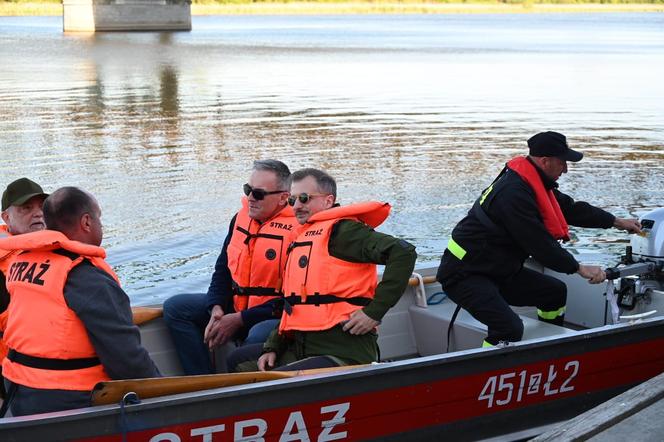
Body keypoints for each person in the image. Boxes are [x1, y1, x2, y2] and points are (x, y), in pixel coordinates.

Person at [436, 131, 642, 347]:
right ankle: (485, 374)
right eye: (563, 163)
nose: (566, 169)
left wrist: (616, 221)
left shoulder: (534, 183)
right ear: (545, 161)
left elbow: (572, 210)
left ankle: (551, 344)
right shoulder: (513, 193)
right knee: (509, 329)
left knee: (554, 292)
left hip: (498, 269)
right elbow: (539, 243)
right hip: (465, 274)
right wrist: (578, 267)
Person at [229, 168, 417, 372]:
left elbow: (403, 252)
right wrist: (273, 346)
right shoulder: (302, 236)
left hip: (341, 350)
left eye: (304, 198)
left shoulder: (343, 232)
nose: (297, 206)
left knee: (277, 380)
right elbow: (294, 305)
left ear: (328, 201)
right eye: (292, 200)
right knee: (237, 360)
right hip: (302, 345)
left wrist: (374, 312)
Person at [0, 187, 160, 416]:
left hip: (19, 390)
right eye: (99, 218)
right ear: (86, 222)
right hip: (66, 399)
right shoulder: (86, 276)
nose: (100, 225)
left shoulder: (22, 261)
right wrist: (166, 392)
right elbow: (127, 362)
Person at [163, 160, 296, 375]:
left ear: (283, 197)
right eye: (248, 190)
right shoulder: (240, 219)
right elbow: (222, 270)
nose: (250, 198)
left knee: (256, 334)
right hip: (236, 306)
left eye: (259, 194)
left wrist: (239, 320)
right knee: (176, 308)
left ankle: (241, 391)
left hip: (273, 315)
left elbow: (294, 300)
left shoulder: (298, 231)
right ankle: (202, 382)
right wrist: (215, 307)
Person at [0, 178, 49, 399]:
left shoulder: (56, 250)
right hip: (15, 375)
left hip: (48, 363)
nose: (38, 213)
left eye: (42, 207)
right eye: (26, 208)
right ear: (6, 218)